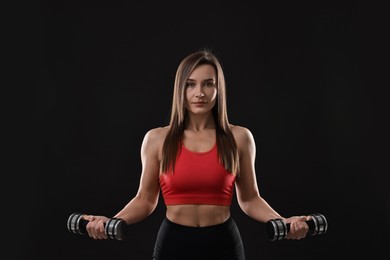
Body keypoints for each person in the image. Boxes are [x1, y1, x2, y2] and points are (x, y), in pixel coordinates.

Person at [82, 49, 311, 260]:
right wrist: (113, 221)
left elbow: (250, 199)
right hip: (173, 243)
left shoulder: (240, 137)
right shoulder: (157, 139)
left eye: (208, 84)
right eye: (190, 84)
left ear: (218, 88)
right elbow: (145, 199)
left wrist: (282, 221)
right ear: (180, 88)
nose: (199, 93)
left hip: (224, 243)